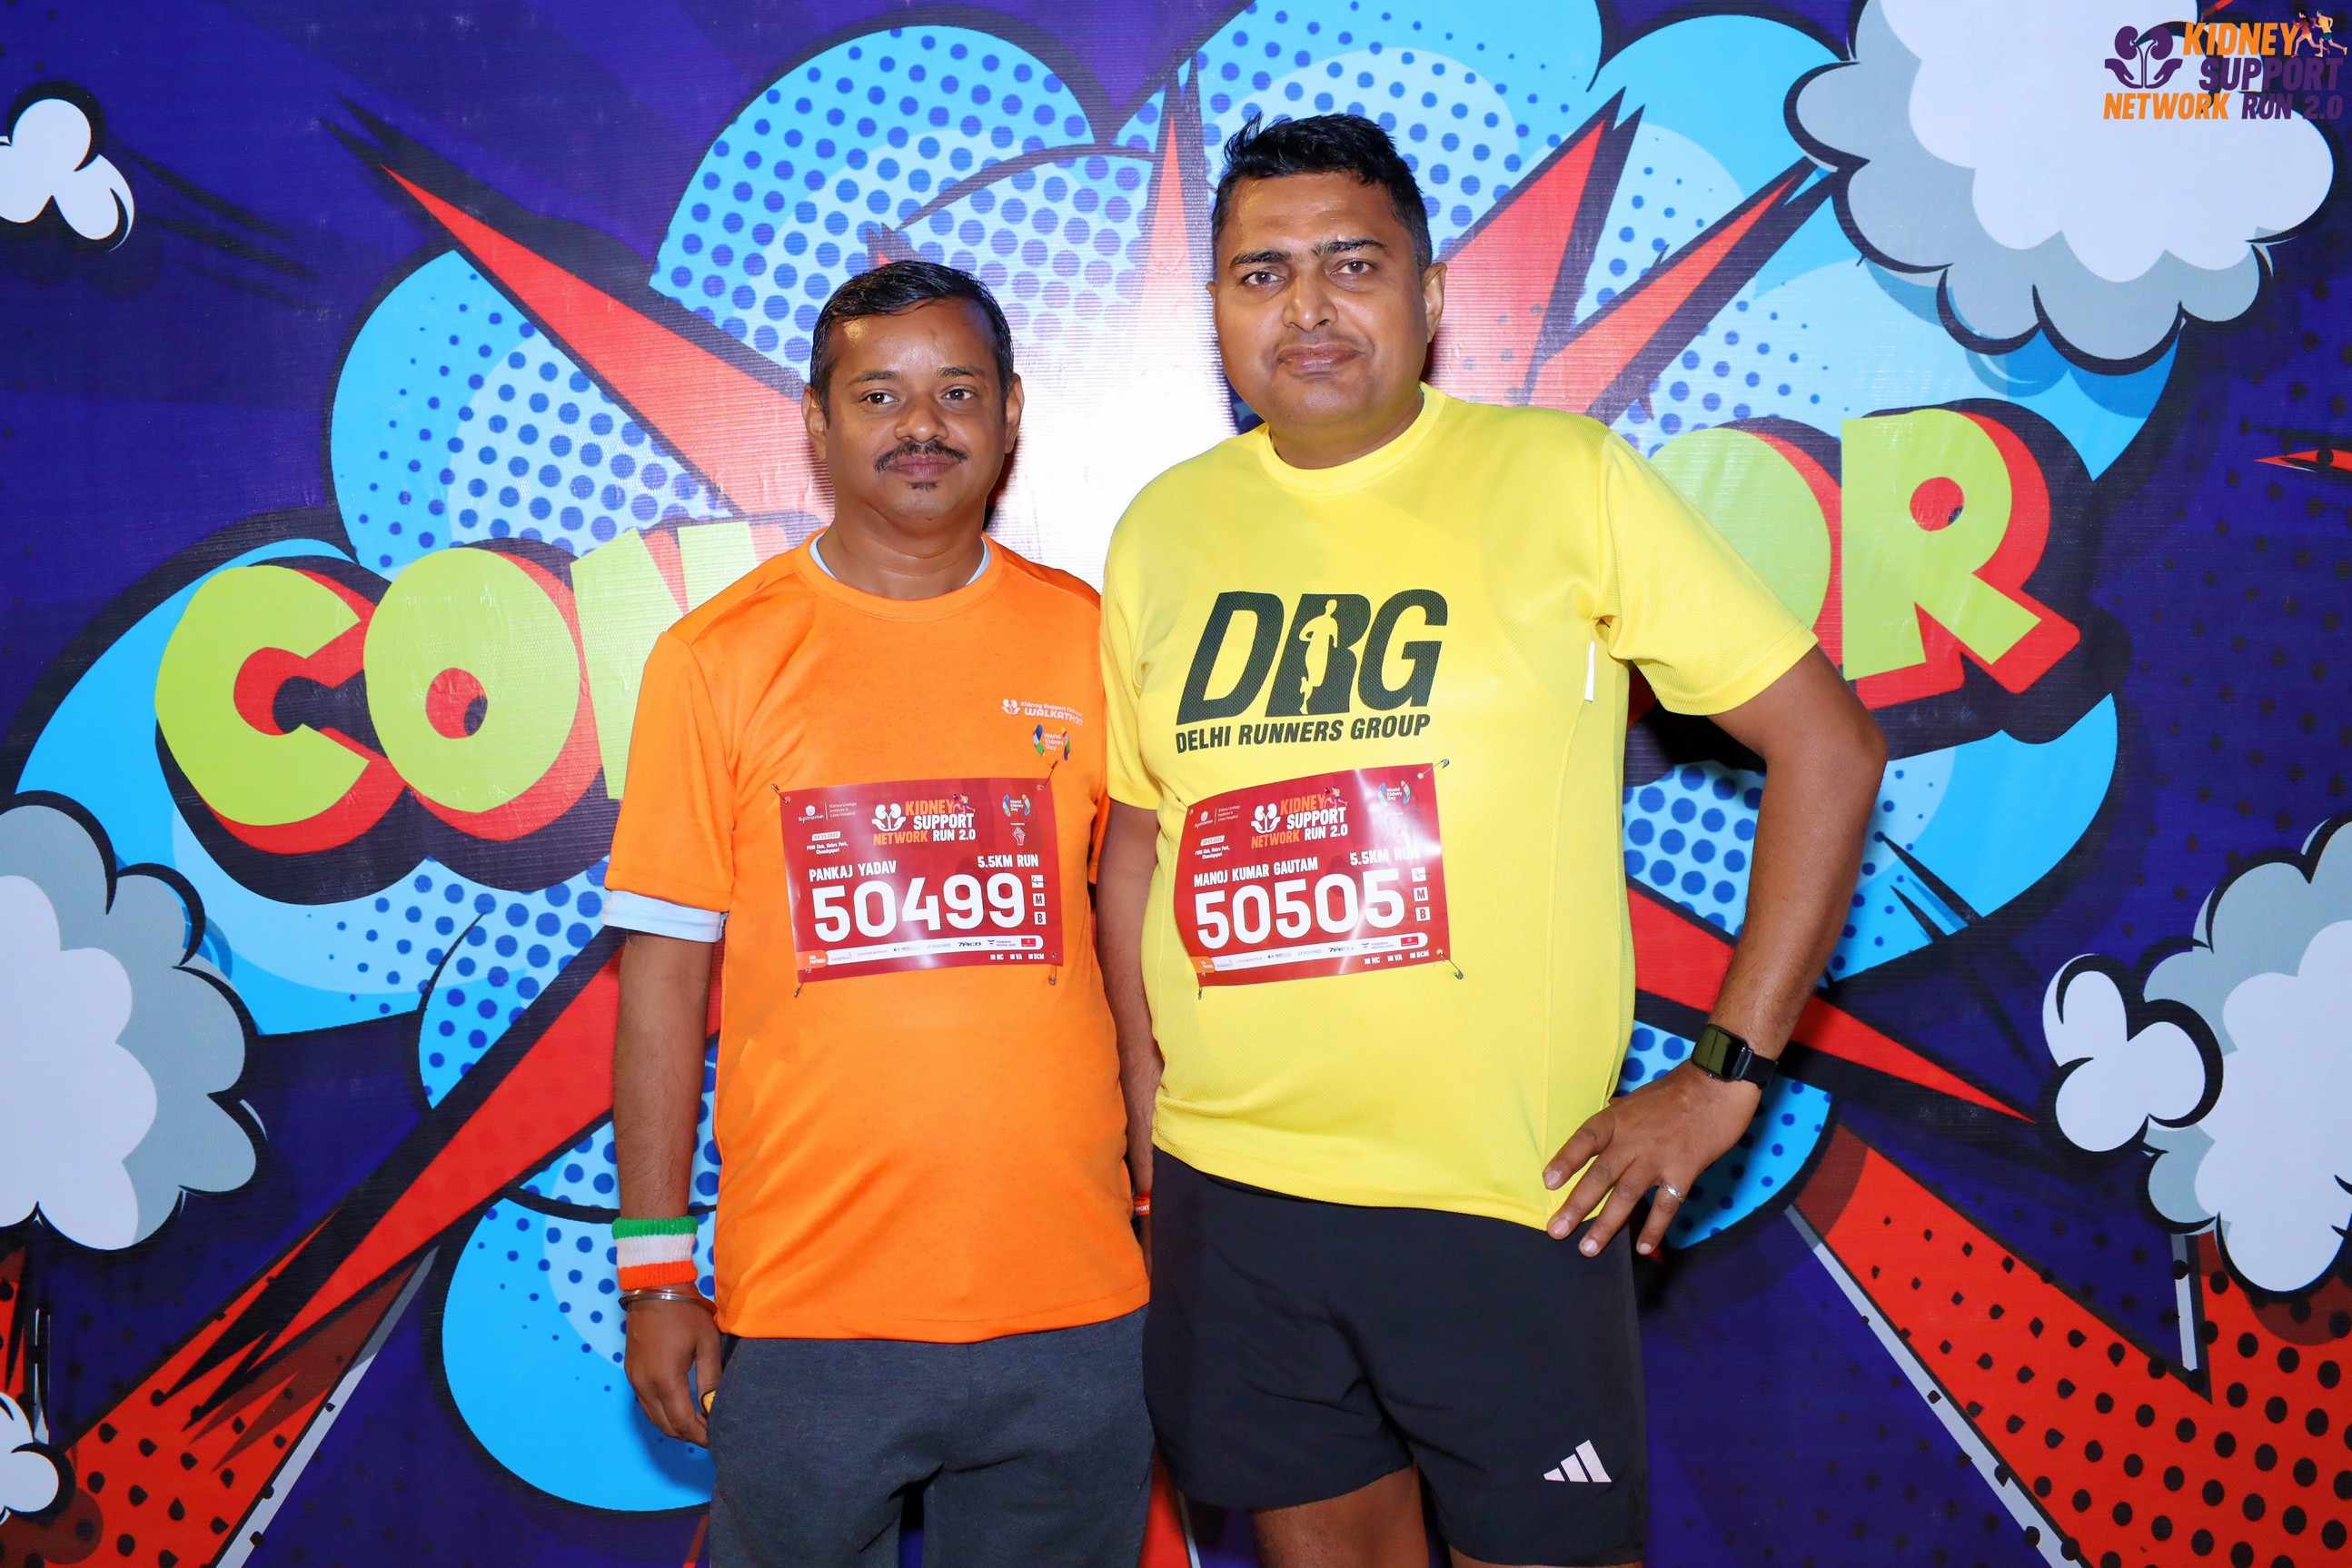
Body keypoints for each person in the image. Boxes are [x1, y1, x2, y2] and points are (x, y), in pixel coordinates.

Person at [1095, 115, 1886, 1568]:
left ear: (1431, 291)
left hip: (1502, 1196)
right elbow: (1140, 839)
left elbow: (1828, 747)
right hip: (1237, 1201)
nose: (1307, 305)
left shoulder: (1562, 477)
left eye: (1351, 263)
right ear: (1214, 308)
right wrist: (1150, 1104)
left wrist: (1725, 1074)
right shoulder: (1161, 529)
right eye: (1262, 273)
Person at [604, 259, 1152, 1568]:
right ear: (817, 419)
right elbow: (662, 983)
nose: (922, 426)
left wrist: (1165, 1190)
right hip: (809, 1311)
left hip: (1076, 1303)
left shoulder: (1090, 640)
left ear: (1010, 414)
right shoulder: (716, 660)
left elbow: (1141, 945)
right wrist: (655, 1271)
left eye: (957, 391)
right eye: (879, 394)